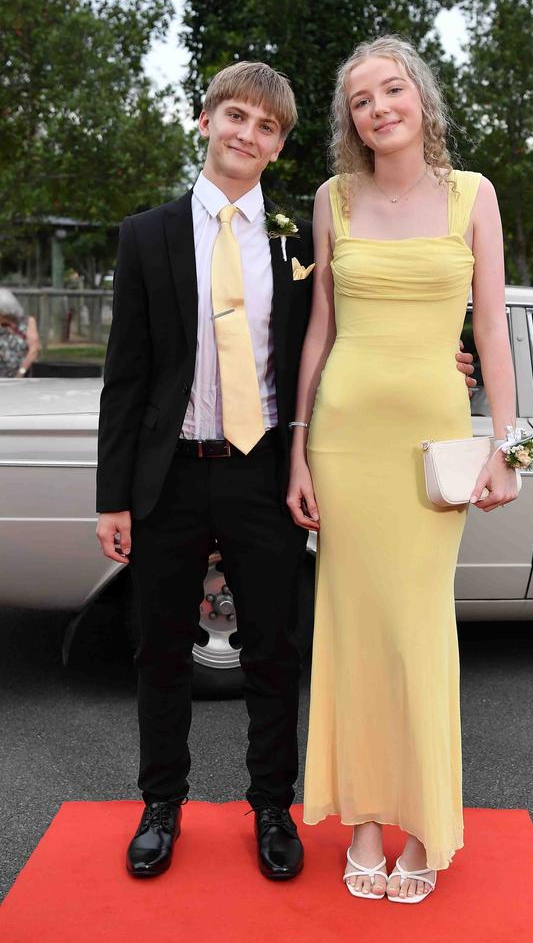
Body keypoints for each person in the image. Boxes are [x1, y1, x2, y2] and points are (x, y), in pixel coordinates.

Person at [95, 58, 478, 882]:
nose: (248, 134)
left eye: (267, 127)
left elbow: (342, 332)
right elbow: (124, 378)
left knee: (274, 649)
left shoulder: (299, 242)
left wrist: (439, 354)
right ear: (206, 122)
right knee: (160, 650)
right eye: (236, 116)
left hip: (265, 470)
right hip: (169, 472)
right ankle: (161, 805)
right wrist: (112, 498)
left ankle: (273, 805)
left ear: (278, 146)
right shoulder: (146, 235)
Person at [287, 35, 518, 904]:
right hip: (344, 441)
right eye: (360, 100)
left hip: (430, 446)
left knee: (417, 631)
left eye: (392, 90)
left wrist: (510, 447)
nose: (378, 108)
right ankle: (366, 828)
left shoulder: (473, 196)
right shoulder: (333, 199)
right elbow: (320, 329)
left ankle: (423, 829)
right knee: (350, 634)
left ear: (420, 97)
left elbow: (491, 331)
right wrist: (299, 448)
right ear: (351, 120)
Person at [0, 289, 41, 377]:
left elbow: (34, 349)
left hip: (24, 376)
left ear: (4, 311)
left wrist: (21, 372)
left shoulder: (28, 322)